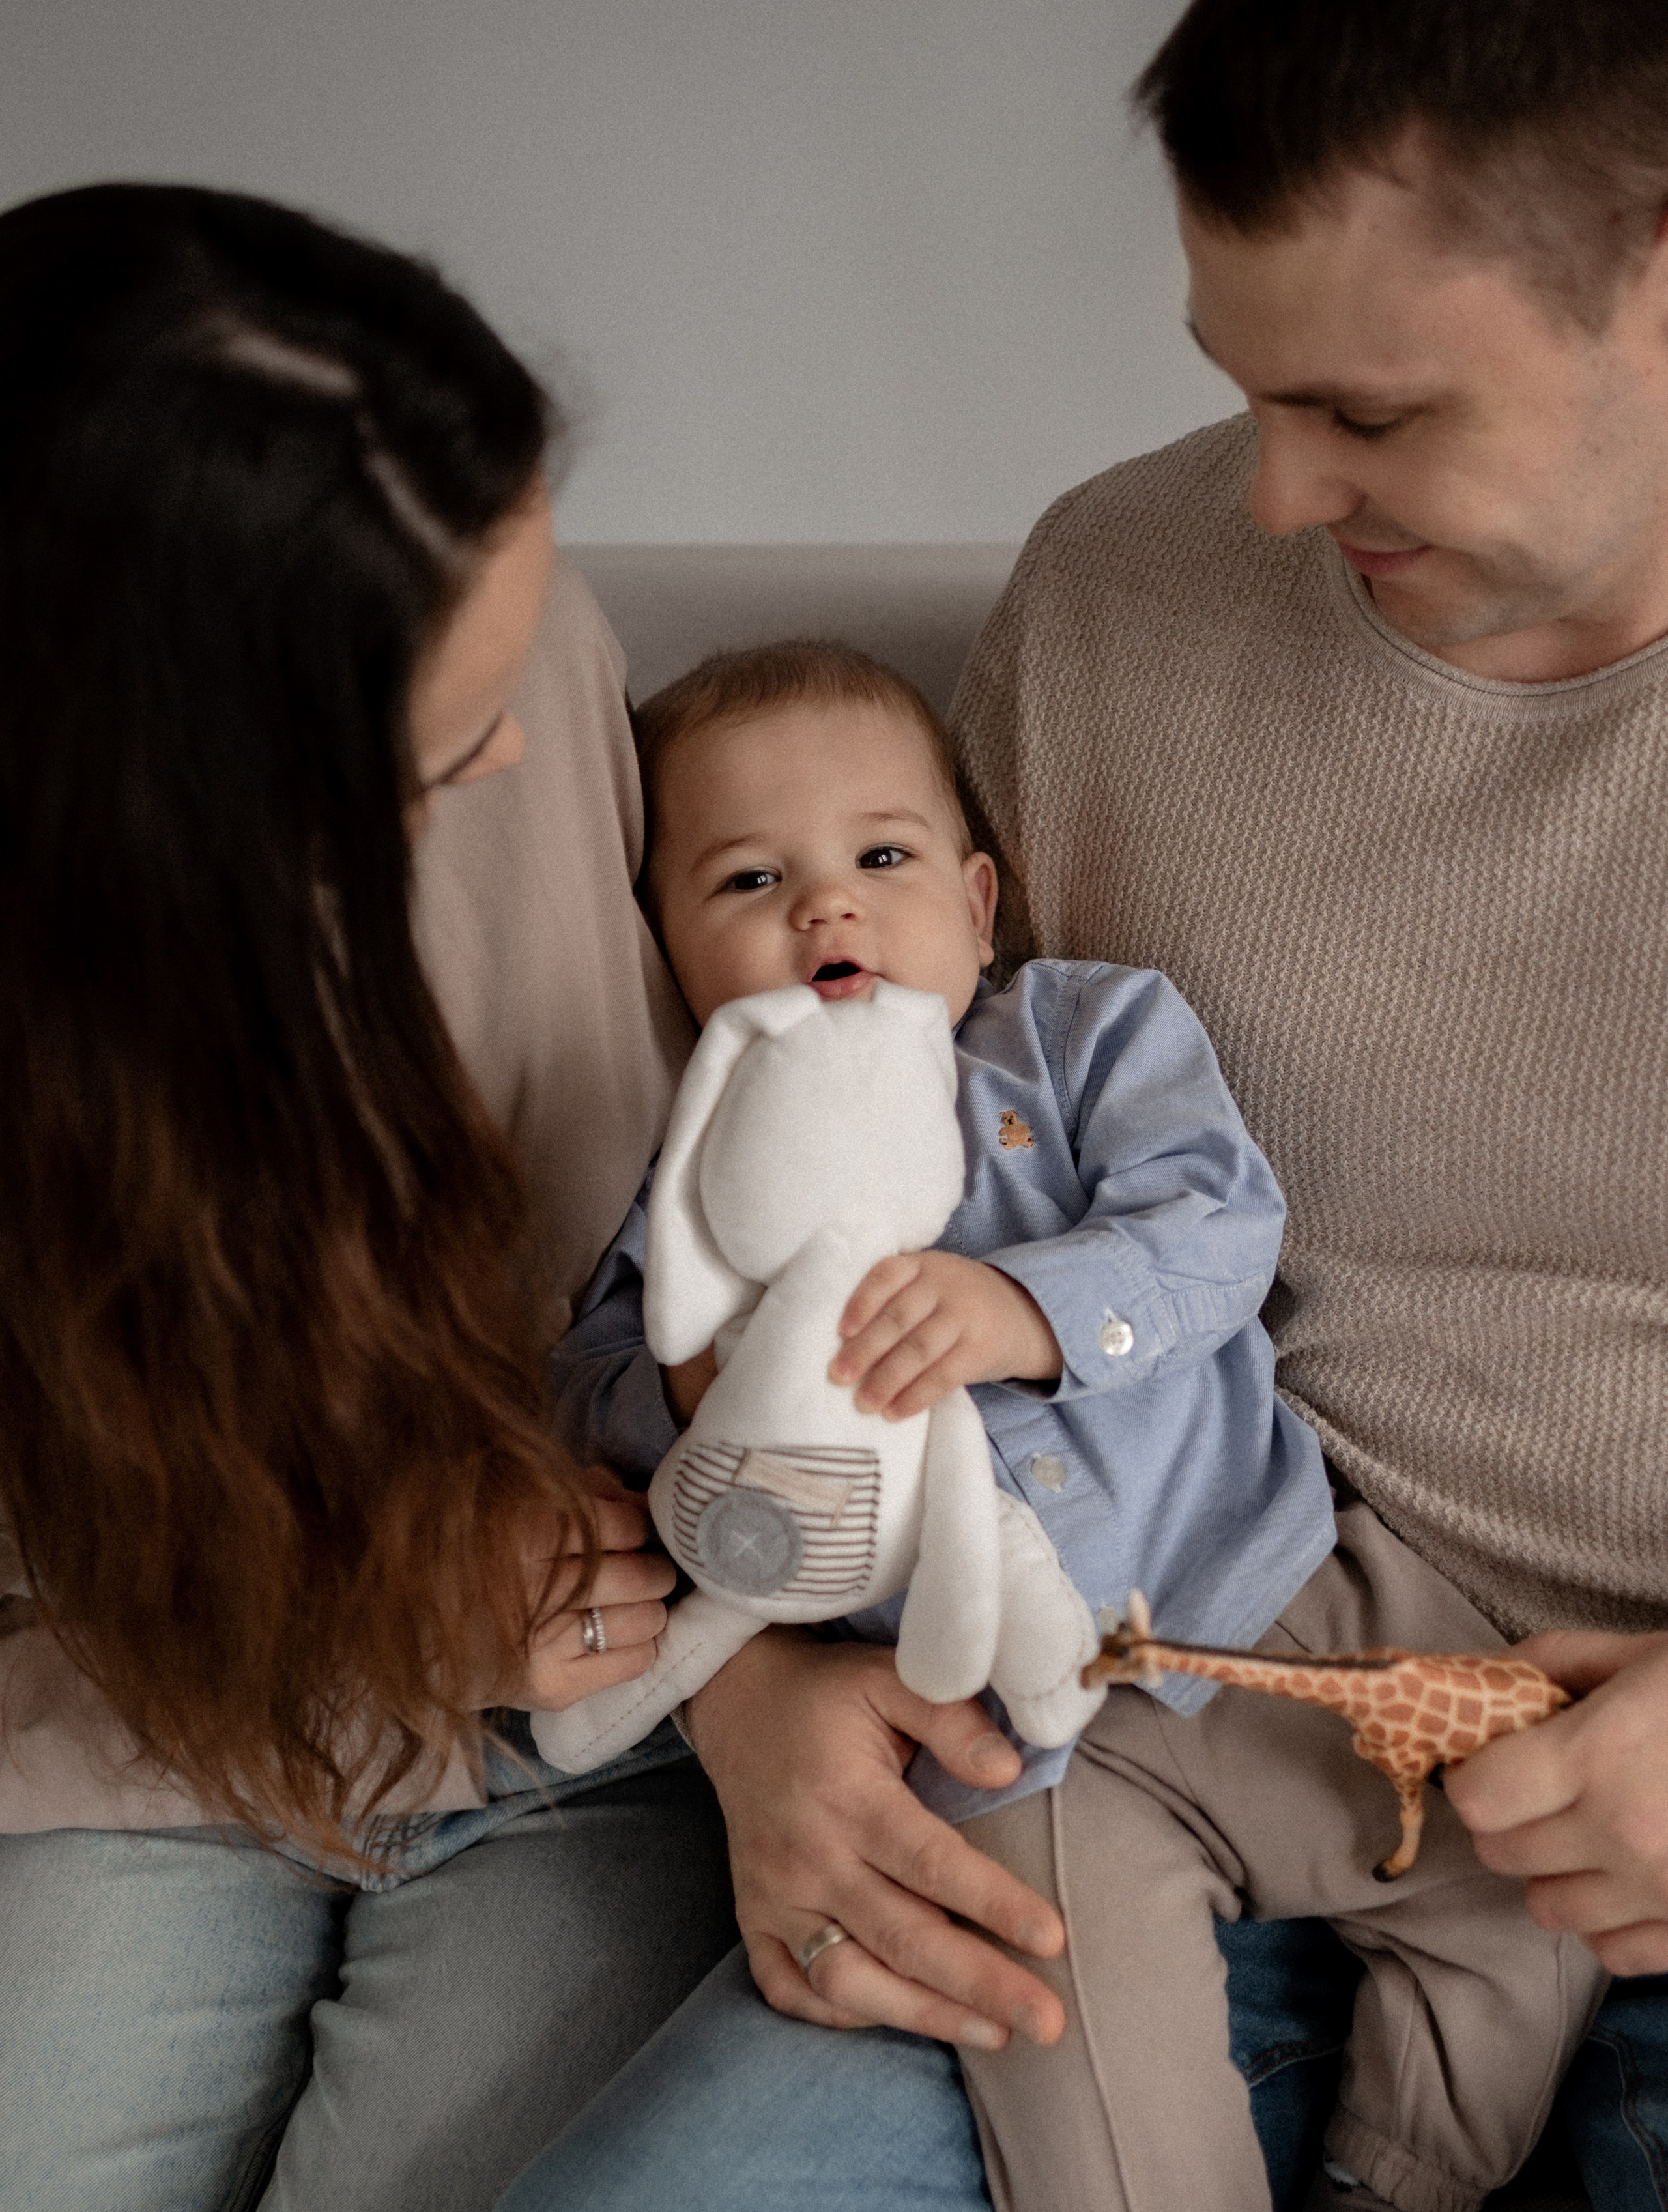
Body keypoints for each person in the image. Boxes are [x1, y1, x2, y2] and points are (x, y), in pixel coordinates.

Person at [504, 4, 1668, 2210]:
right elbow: (837, 1198)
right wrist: (749, 1697)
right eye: (1244, 386)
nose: (1271, 496)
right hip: (1106, 1731)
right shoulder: (1125, 598)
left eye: (1368, 410)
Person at [545, 637, 1602, 2212]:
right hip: (1006, 1739)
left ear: (974, 903)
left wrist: (1028, 1310)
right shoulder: (694, 1164)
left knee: (1541, 1872)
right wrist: (691, 1402)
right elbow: (589, 1373)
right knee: (1055, 2037)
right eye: (747, 881)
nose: (824, 908)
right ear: (666, 954)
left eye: (877, 857)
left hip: (1274, 1595)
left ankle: (1403, 2177)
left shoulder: (1079, 1036)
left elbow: (1219, 1223)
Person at [0, 180, 740, 2212]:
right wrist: (330, 1593)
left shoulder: (521, 666)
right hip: (109, 1716)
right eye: (428, 746)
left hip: (582, 1725)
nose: (524, 748)